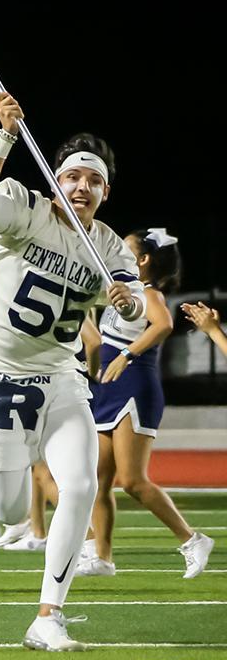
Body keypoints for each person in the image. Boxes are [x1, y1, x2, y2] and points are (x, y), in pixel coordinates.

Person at [0, 96, 144, 652]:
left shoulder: (107, 242)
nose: (82, 185)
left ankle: (48, 616)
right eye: (72, 175)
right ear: (55, 178)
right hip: (0, 371)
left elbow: (132, 303)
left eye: (93, 179)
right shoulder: (27, 207)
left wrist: (125, 303)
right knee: (11, 509)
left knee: (82, 486)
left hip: (60, 375)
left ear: (105, 191)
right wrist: (5, 138)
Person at [82, 229, 212, 579]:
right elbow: (97, 338)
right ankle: (102, 558)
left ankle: (193, 539)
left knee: (133, 481)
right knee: (97, 479)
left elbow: (164, 324)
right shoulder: (122, 291)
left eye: (125, 249)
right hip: (108, 388)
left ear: (143, 260)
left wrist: (126, 354)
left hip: (135, 387)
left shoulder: (148, 292)